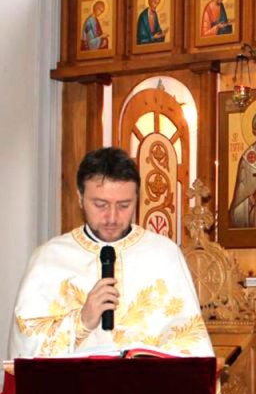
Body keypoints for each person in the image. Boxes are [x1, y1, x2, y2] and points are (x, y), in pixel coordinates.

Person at [9, 146, 213, 360]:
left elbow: (192, 346)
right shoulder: (48, 259)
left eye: (124, 205)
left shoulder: (164, 255)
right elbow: (26, 347)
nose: (112, 218)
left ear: (137, 199)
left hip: (147, 382)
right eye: (100, 204)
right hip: (74, 383)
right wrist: (81, 321)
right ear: (80, 197)